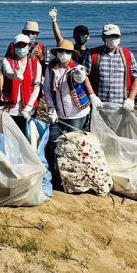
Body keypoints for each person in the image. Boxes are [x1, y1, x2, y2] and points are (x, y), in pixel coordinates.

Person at [42, 40, 97, 188]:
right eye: (61, 52)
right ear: (57, 53)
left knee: (74, 144)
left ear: (72, 54)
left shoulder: (77, 68)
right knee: (52, 142)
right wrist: (51, 108)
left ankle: (75, 175)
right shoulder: (51, 68)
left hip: (77, 113)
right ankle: (54, 173)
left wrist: (80, 76)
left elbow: (82, 80)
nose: (63, 55)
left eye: (67, 52)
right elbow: (47, 89)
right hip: (58, 113)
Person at [83, 24, 137, 108]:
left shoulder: (128, 55)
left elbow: (136, 78)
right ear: (103, 37)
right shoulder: (92, 54)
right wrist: (92, 96)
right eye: (109, 36)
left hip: (122, 105)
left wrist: (131, 99)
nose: (113, 39)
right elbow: (84, 76)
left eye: (115, 36)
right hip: (99, 104)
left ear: (119, 37)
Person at [2, 34, 42, 131]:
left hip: (27, 109)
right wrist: (14, 75)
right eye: (18, 46)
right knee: (11, 138)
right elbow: (8, 73)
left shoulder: (35, 63)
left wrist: (29, 106)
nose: (21, 48)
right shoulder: (7, 61)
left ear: (29, 46)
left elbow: (37, 86)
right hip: (11, 109)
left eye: (23, 46)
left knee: (27, 137)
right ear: (14, 47)